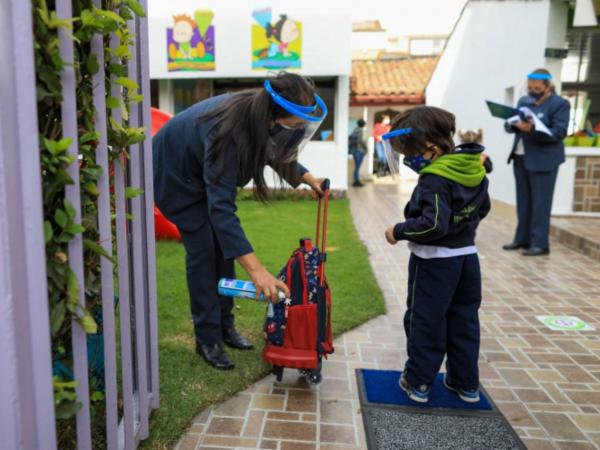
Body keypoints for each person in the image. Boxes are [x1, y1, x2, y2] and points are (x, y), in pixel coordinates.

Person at [153, 72, 326, 370]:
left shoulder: (260, 115)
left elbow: (275, 153)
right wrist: (257, 271)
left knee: (223, 250)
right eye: (296, 125)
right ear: (275, 116)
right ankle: (207, 338)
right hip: (175, 178)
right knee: (205, 252)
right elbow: (221, 211)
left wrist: (309, 178)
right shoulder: (229, 130)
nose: (298, 131)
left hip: (200, 173)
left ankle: (225, 325)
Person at [382, 106, 490, 404]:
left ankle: (417, 383)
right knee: (463, 322)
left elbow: (432, 225)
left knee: (425, 322)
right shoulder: (473, 168)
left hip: (434, 264)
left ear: (430, 148)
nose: (407, 159)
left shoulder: (434, 179)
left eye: (409, 152)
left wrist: (399, 230)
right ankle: (465, 383)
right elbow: (482, 209)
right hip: (467, 259)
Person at [502, 68, 570, 256]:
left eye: (537, 88)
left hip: (544, 160)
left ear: (548, 86)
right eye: (530, 87)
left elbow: (559, 132)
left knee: (541, 203)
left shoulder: (559, 104)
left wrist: (531, 129)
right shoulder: (524, 101)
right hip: (520, 156)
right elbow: (509, 125)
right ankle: (522, 239)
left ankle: (540, 243)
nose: (532, 90)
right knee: (523, 201)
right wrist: (511, 123)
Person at [348, 119, 368, 187]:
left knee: (357, 166)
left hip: (354, 150)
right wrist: (366, 149)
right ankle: (356, 181)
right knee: (358, 167)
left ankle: (356, 180)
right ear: (364, 124)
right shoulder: (362, 131)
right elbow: (362, 141)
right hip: (360, 150)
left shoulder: (354, 130)